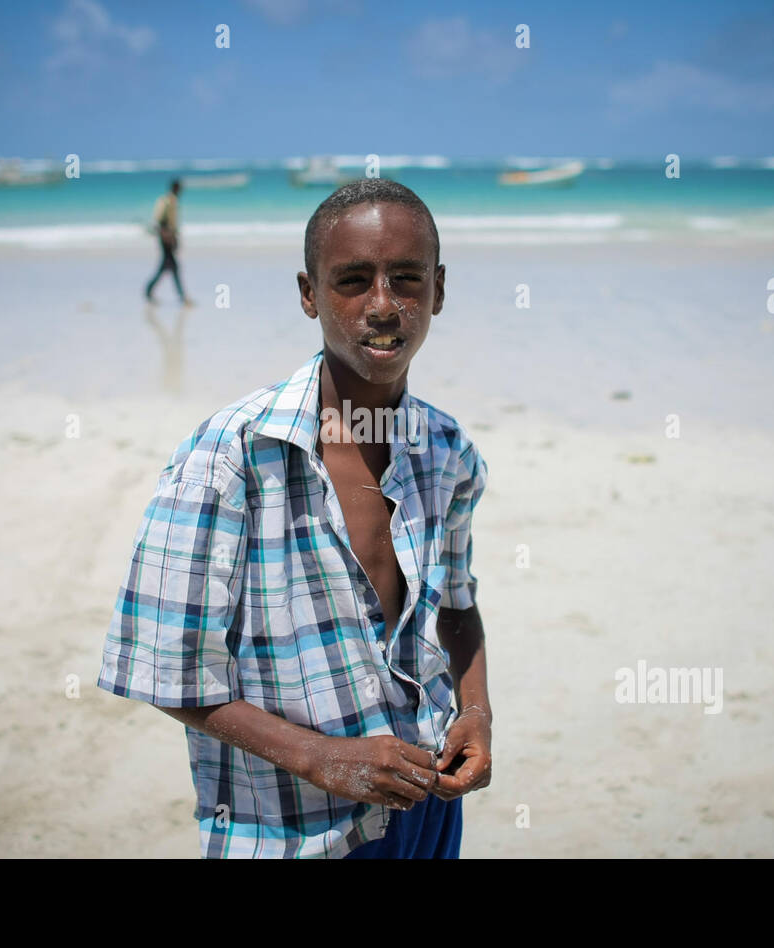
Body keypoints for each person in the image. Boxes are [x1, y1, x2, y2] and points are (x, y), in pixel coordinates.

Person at [98, 178, 491, 859]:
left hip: (426, 809)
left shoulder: (447, 450)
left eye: (406, 279)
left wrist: (476, 713)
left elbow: (456, 608)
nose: (383, 306)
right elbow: (164, 667)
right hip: (296, 832)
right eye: (351, 281)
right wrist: (321, 757)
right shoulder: (231, 457)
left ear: (440, 290)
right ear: (309, 294)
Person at [145, 178, 189, 304]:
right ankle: (181, 297)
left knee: (168, 267)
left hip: (170, 238)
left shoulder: (172, 201)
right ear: (176, 188)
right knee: (171, 267)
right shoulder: (166, 201)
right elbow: (160, 222)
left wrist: (175, 237)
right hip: (166, 239)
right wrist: (168, 237)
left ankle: (149, 291)